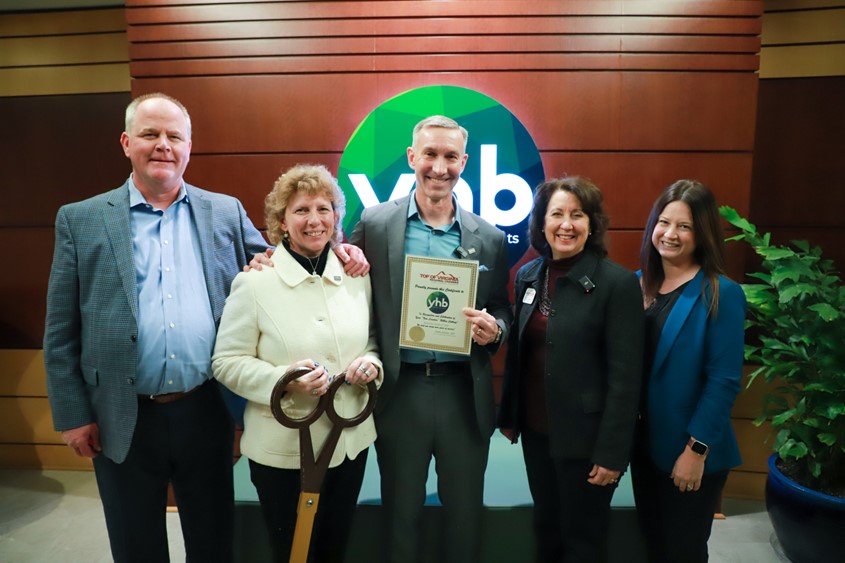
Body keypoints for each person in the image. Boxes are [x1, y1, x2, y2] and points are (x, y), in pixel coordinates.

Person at [42, 93, 367, 563]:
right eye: (150, 134)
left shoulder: (223, 211)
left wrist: (340, 250)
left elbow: (282, 258)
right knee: (135, 545)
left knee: (213, 540)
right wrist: (72, 414)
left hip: (205, 409)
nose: (163, 145)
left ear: (189, 147)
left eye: (174, 136)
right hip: (120, 412)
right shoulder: (81, 220)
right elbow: (60, 330)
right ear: (126, 142)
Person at [350, 116, 513, 562]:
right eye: (430, 154)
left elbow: (502, 307)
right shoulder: (375, 223)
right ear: (411, 157)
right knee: (400, 515)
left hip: (464, 393)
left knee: (465, 517)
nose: (439, 168)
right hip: (401, 391)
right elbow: (343, 277)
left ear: (464, 162)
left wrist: (496, 329)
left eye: (450, 157)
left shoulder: (489, 237)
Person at [212, 164, 381, 563]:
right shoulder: (254, 282)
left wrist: (371, 365)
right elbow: (226, 362)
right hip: (284, 450)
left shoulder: (356, 275)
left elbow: (372, 341)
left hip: (348, 443)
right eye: (301, 210)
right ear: (282, 222)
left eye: (324, 209)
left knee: (333, 549)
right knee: (293, 553)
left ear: (336, 217)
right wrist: (284, 380)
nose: (314, 220)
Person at [498, 176, 644, 563]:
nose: (566, 224)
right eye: (557, 214)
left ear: (592, 224)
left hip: (588, 441)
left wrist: (612, 453)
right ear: (542, 223)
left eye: (577, 215)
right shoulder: (530, 276)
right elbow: (520, 353)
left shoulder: (617, 283)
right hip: (537, 434)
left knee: (582, 541)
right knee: (546, 529)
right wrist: (510, 415)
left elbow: (626, 379)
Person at [631, 180, 746, 563]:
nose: (670, 234)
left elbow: (724, 381)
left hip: (690, 450)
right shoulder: (635, 285)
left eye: (685, 226)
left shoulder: (721, 293)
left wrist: (695, 451)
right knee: (652, 545)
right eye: (664, 222)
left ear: (703, 234)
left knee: (683, 551)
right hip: (643, 447)